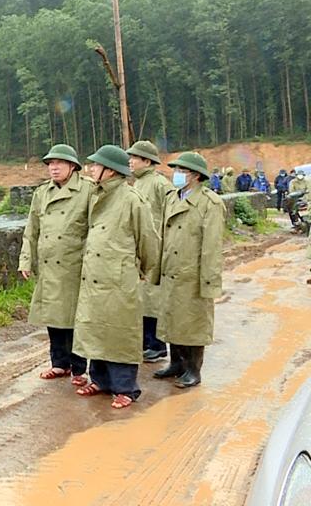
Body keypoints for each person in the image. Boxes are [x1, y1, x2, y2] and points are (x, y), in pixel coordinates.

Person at [73, 145, 160, 409]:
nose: (91, 169)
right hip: (94, 276)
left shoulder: (131, 199)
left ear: (110, 171)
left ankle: (125, 388)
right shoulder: (96, 195)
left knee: (120, 333)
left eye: (96, 165)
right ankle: (100, 380)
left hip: (119, 278)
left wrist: (143, 271)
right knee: (96, 329)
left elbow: (148, 241)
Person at [18, 144, 93, 387]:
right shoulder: (42, 192)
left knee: (74, 318)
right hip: (49, 266)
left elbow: (96, 227)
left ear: (72, 166)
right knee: (53, 316)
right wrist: (26, 260)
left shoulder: (88, 189)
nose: (54, 167)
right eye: (50, 163)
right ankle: (59, 363)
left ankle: (79, 368)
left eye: (59, 163)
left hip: (74, 265)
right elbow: (32, 230)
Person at [154, 152, 225, 388]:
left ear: (195, 175)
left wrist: (209, 282)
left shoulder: (210, 203)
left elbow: (212, 247)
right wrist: (157, 270)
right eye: (176, 170)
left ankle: (193, 370)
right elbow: (163, 236)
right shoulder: (172, 198)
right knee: (173, 319)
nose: (176, 174)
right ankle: (176, 363)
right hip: (171, 270)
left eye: (181, 170)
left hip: (192, 274)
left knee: (193, 323)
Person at [126, 140, 173, 362]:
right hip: (141, 249)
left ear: (147, 161)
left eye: (134, 158)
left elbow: (172, 216)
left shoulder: (160, 184)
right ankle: (146, 342)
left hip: (157, 248)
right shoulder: (138, 183)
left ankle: (157, 345)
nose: (130, 162)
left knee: (153, 299)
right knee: (143, 299)